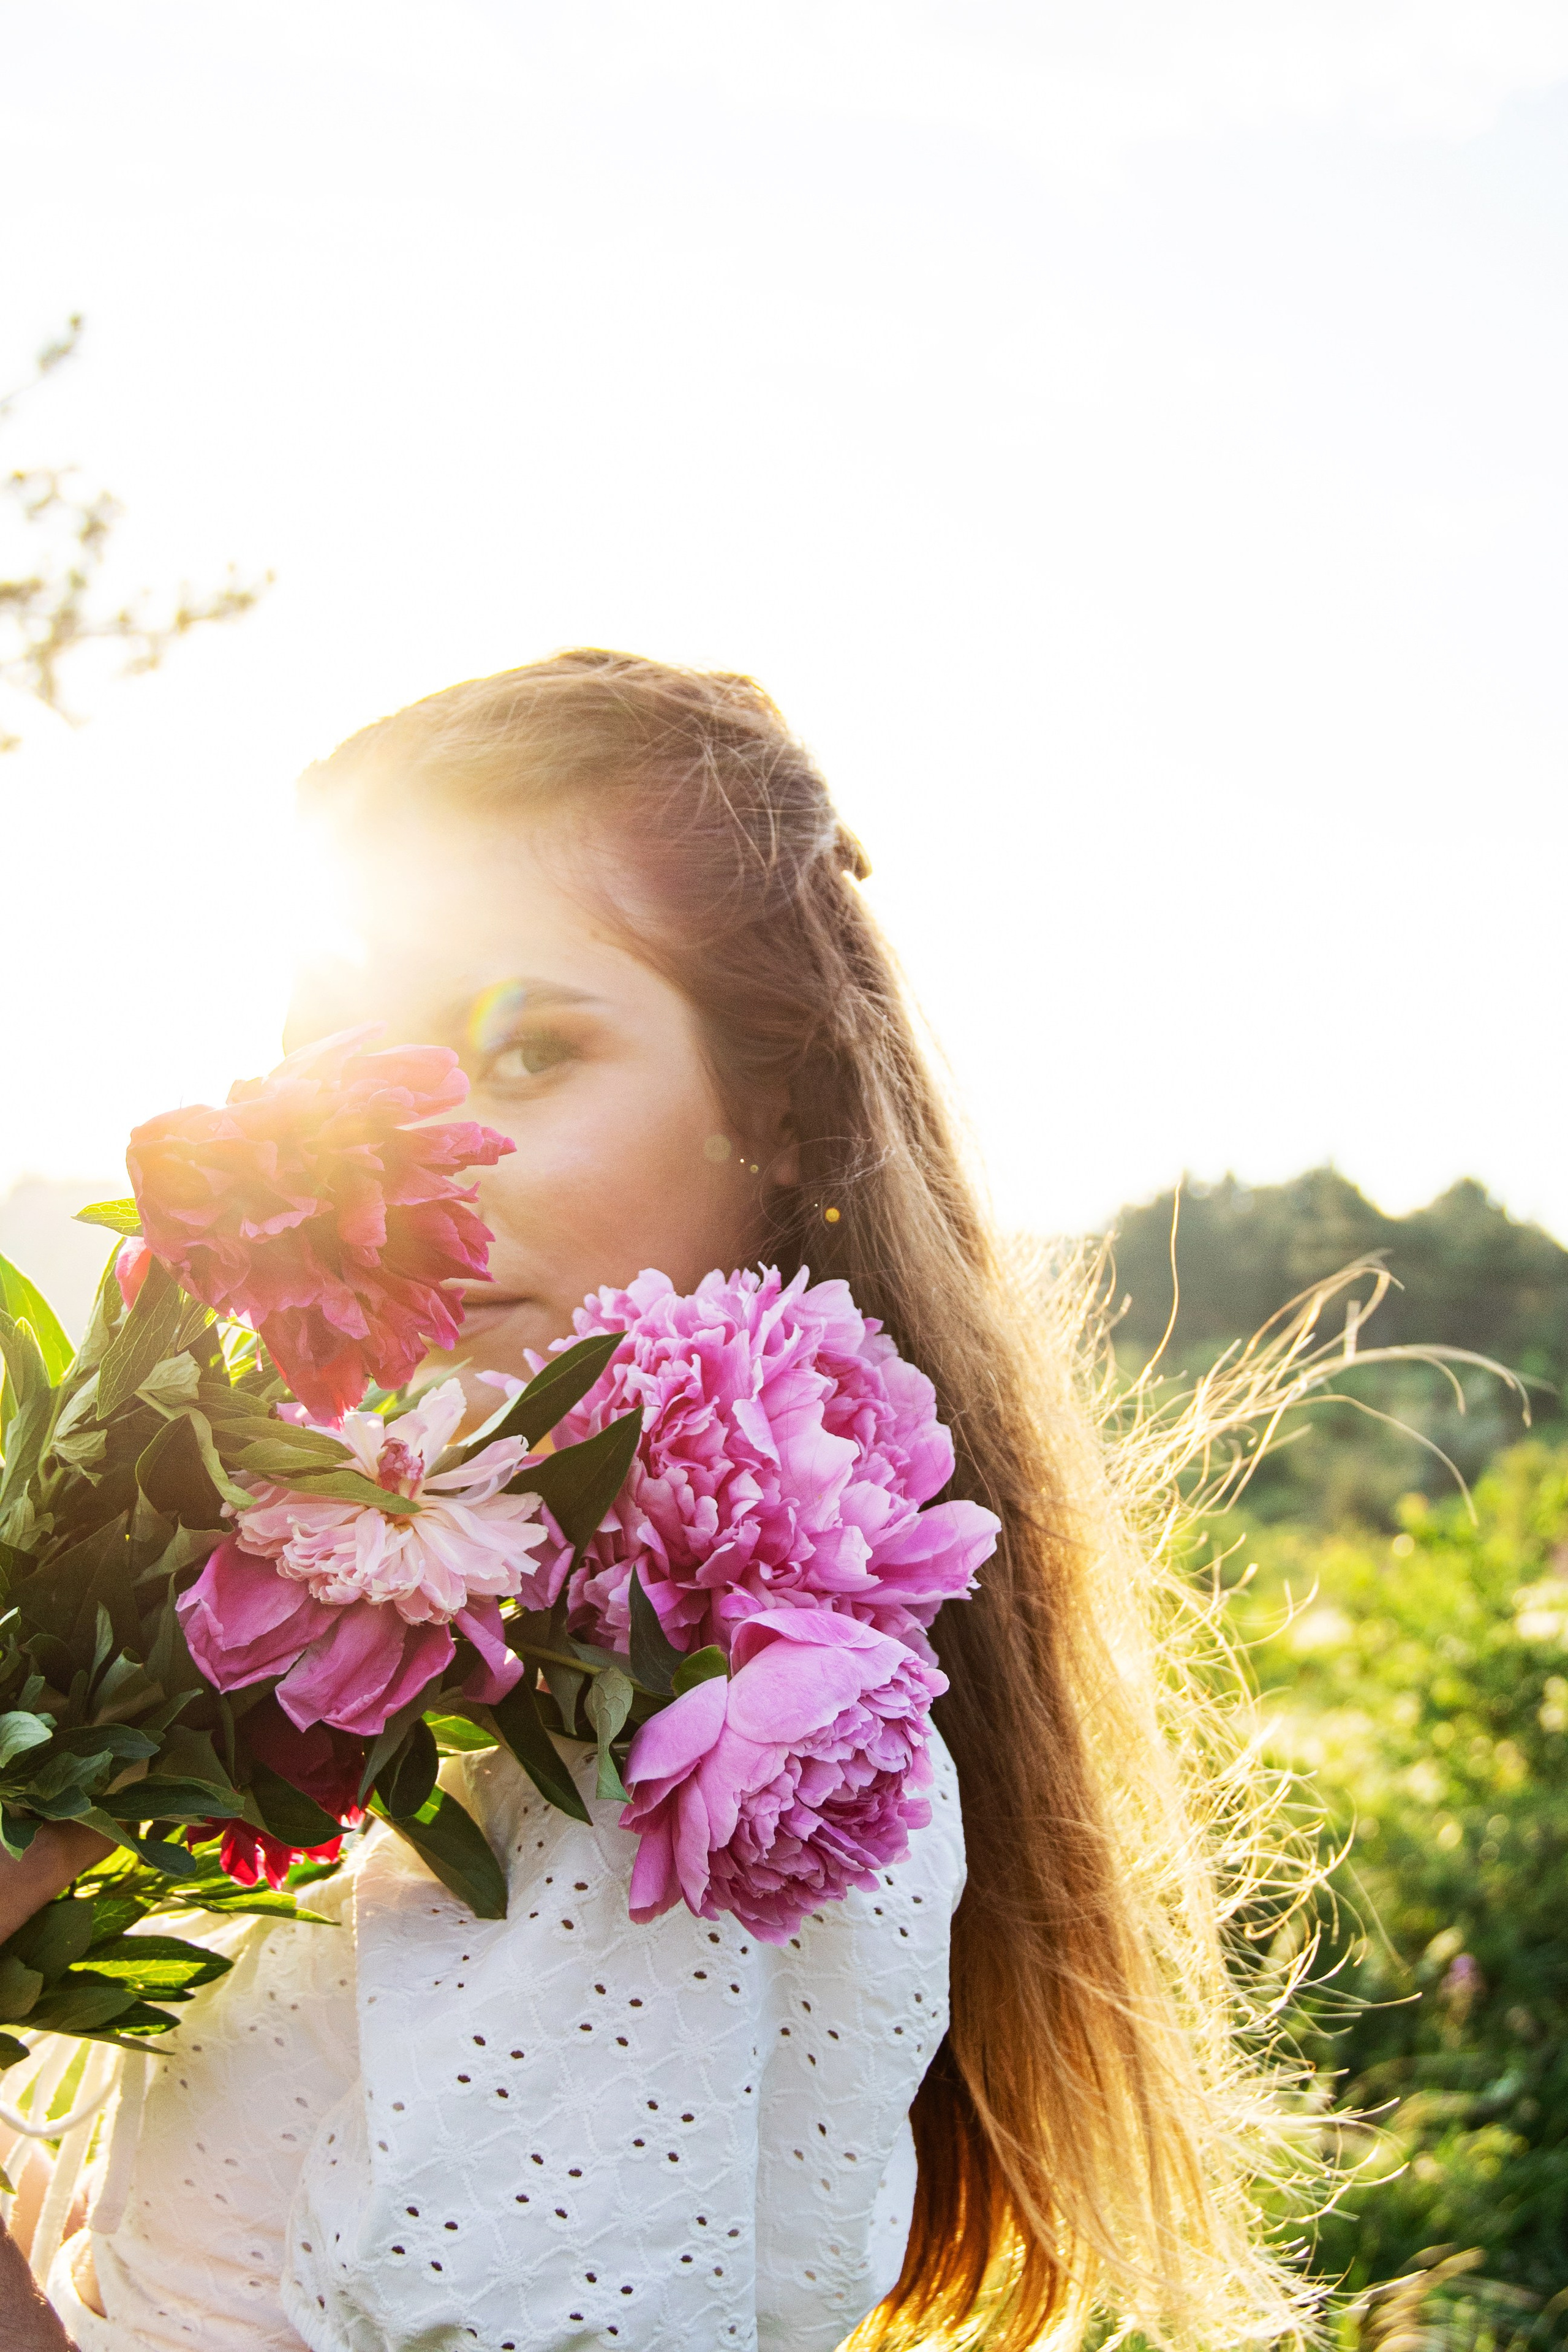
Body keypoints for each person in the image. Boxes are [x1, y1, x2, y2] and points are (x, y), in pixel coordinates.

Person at [4, 652, 1308, 2351]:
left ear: (782, 1110)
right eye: (338, 1073)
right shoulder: (458, 1631)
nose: (392, 1166)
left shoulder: (713, 1735)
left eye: (525, 1053)